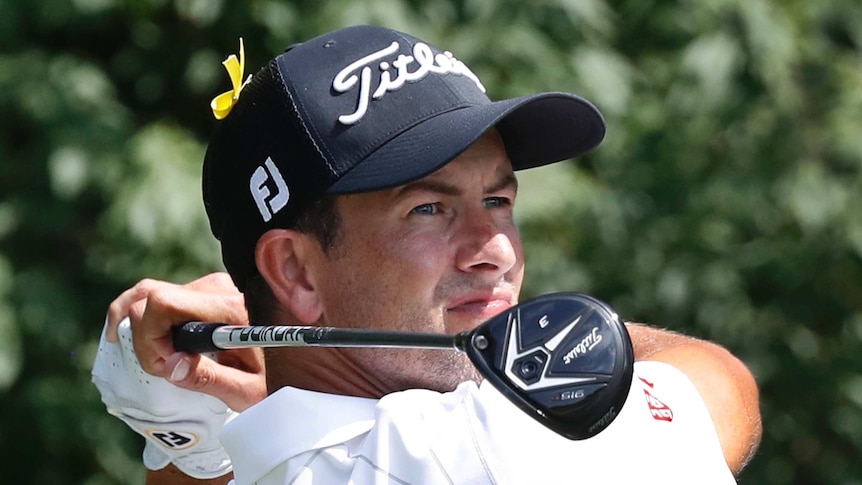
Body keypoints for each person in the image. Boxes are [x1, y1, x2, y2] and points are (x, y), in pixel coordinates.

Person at [92, 25, 762, 484]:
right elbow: (724, 386)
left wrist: (186, 436)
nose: (496, 251)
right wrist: (549, 344)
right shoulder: (485, 451)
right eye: (429, 209)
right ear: (295, 270)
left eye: (498, 200)